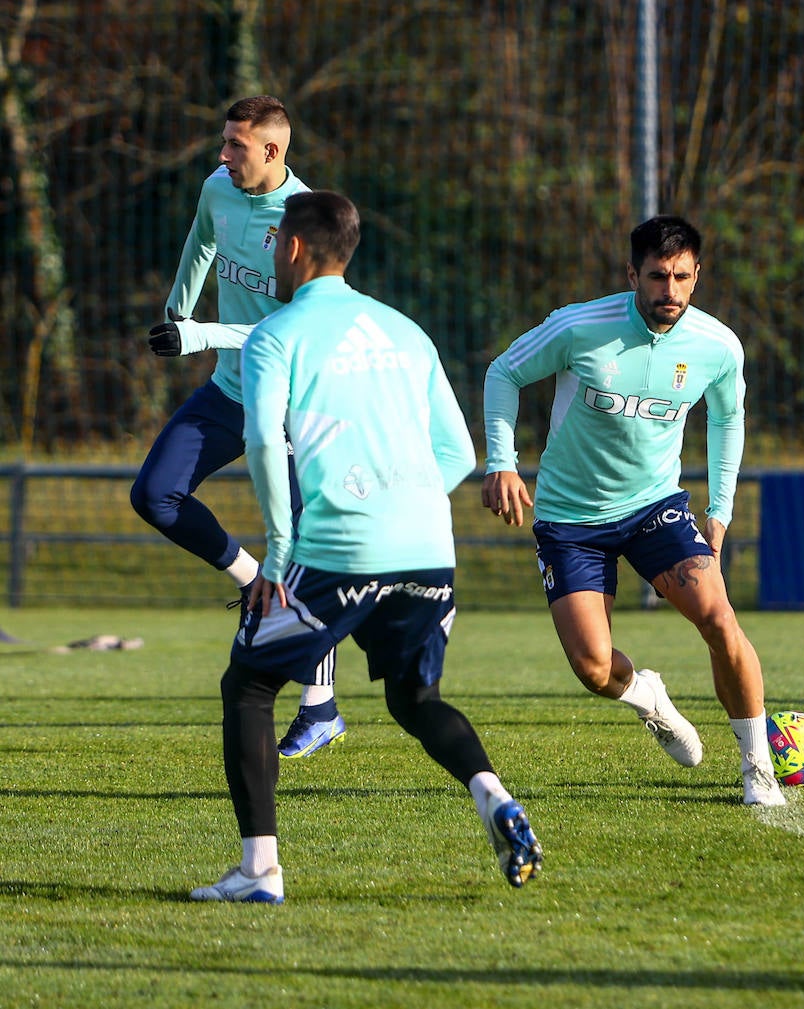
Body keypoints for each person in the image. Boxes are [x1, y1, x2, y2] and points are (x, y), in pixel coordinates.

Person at [190, 191, 542, 902]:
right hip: (428, 548)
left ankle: (259, 871)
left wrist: (282, 551)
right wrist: (401, 500)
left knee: (250, 685)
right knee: (415, 698)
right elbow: (461, 452)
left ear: (291, 248)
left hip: (340, 546)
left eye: (275, 243)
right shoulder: (407, 332)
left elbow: (261, 441)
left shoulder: (275, 335)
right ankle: (494, 795)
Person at [481, 215, 786, 807]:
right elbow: (503, 372)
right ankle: (649, 698)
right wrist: (502, 462)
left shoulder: (717, 347)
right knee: (594, 668)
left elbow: (727, 420)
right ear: (632, 275)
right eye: (655, 277)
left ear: (697, 277)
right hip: (570, 519)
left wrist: (719, 511)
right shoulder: (578, 325)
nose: (668, 291)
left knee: (719, 620)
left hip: (655, 507)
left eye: (681, 277)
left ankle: (758, 769)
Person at [130, 96, 345, 758]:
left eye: (236, 146)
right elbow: (201, 241)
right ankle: (254, 580)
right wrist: (177, 310)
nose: (223, 156)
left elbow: (289, 328)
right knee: (154, 494)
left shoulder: (304, 221)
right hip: (229, 391)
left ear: (272, 151)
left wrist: (198, 334)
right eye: (224, 143)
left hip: (288, 404)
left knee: (307, 548)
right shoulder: (219, 188)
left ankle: (321, 707)